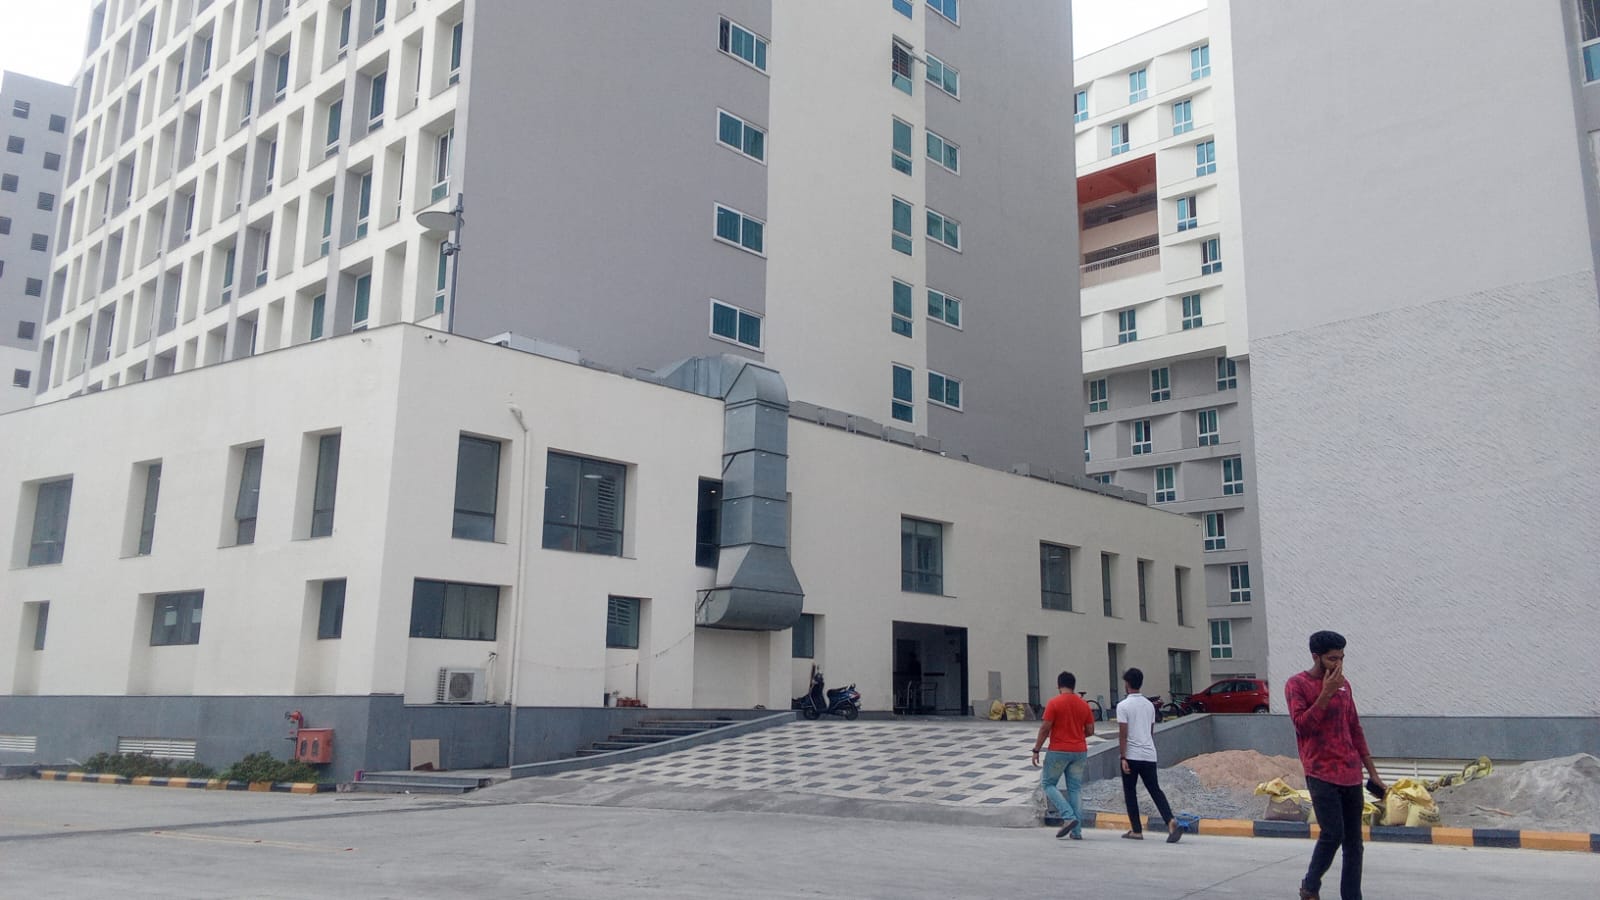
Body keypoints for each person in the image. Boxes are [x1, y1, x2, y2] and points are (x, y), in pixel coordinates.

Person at [1286, 630, 1386, 900]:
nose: (1338, 664)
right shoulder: (1297, 684)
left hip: (1350, 773)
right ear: (1316, 657)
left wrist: (1373, 772)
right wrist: (1326, 693)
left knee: (1354, 843)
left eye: (1341, 658)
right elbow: (1302, 726)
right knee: (1333, 834)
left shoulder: (1345, 685)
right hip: (1320, 772)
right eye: (1332, 659)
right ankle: (1310, 886)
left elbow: (1355, 728)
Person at [1115, 667, 1183, 842]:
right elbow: (1150, 731)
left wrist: (1123, 757)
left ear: (1127, 684)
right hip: (1149, 754)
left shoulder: (1123, 706)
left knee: (1130, 792)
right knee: (1155, 789)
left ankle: (1136, 830)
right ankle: (1170, 820)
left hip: (1131, 754)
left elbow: (1123, 734)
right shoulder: (1149, 706)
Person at [1030, 670, 1096, 839]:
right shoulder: (1084, 705)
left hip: (1058, 750)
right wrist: (1077, 736)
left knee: (1048, 784)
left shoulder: (1054, 703)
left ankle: (1068, 816)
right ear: (1074, 686)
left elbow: (1045, 728)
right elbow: (1090, 730)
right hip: (1079, 751)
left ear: (1059, 685)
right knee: (1075, 789)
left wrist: (1037, 749)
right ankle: (1077, 831)